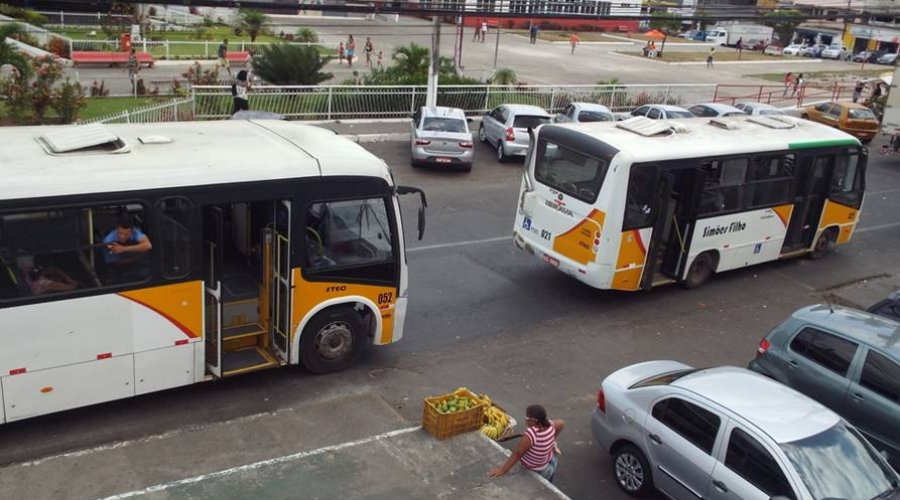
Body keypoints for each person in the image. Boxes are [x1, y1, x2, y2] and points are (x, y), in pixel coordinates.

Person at [488, 405, 564, 483]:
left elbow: (517, 454)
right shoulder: (550, 425)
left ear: (533, 420)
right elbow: (561, 423)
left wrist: (502, 470)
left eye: (526, 418)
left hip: (537, 470)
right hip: (549, 465)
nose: (525, 420)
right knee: (548, 487)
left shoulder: (531, 434)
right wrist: (551, 441)